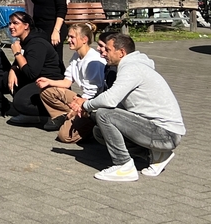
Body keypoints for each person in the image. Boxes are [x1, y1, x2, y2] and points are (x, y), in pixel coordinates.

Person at [69, 34, 185, 181]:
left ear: (122, 52)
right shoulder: (130, 66)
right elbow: (118, 106)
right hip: (160, 132)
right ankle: (157, 155)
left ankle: (124, 166)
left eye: (108, 50)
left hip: (166, 134)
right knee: (99, 132)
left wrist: (85, 104)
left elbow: (110, 100)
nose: (103, 53)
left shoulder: (131, 68)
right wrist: (89, 110)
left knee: (104, 115)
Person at [38, 22, 106, 142]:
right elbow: (67, 82)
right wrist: (49, 82)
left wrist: (76, 109)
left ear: (84, 39)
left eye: (72, 37)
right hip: (85, 99)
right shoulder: (76, 56)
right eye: (68, 37)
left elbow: (92, 93)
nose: (68, 40)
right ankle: (66, 117)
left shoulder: (93, 61)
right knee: (47, 91)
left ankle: (93, 128)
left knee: (64, 136)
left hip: (94, 104)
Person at [6, 11, 64, 125]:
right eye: (10, 23)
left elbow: (31, 73)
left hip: (51, 82)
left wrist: (17, 53)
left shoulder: (37, 43)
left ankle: (52, 113)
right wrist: (13, 69)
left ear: (26, 25)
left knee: (20, 102)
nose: (11, 26)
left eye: (15, 23)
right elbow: (22, 63)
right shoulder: (25, 41)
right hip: (38, 80)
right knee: (6, 79)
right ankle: (29, 112)